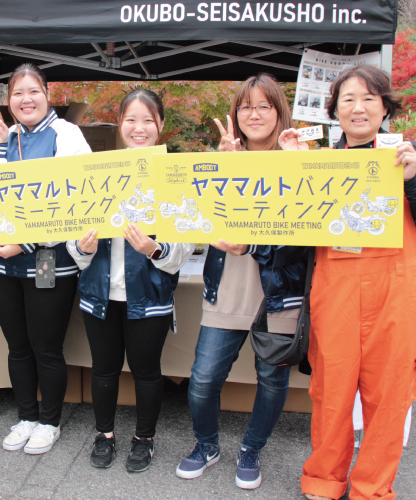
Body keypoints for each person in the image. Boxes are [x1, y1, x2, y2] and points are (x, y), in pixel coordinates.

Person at [279, 65, 416, 500]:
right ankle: (324, 480)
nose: (359, 108)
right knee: (331, 391)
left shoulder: (407, 153)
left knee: (388, 396)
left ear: (385, 108)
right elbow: (290, 238)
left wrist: (412, 180)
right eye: (348, 99)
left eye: (370, 98)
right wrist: (293, 171)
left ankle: (372, 488)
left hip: (396, 290)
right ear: (334, 110)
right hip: (335, 288)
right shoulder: (318, 160)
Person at [174, 74, 309, 488]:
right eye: (246, 106)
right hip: (226, 286)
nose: (254, 114)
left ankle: (251, 448)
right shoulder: (222, 159)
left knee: (272, 379)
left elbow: (303, 237)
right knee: (203, 379)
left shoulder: (300, 159)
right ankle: (207, 445)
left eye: (264, 105)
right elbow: (195, 220)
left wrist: (252, 244)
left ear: (279, 112)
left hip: (279, 291)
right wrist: (223, 171)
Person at [68, 89, 195, 472]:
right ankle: (104, 434)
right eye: (131, 120)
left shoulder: (173, 175)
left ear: (160, 125)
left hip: (149, 295)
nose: (139, 128)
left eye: (147, 120)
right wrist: (82, 247)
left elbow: (185, 244)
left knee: (146, 370)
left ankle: (144, 439)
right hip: (100, 293)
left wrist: (155, 249)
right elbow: (73, 236)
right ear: (119, 124)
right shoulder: (99, 172)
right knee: (104, 369)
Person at [0, 63, 91, 455]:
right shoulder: (5, 137)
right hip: (2, 265)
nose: (26, 100)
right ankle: (26, 416)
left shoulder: (67, 135)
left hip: (48, 262)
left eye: (33, 91)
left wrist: (24, 244)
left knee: (46, 347)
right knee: (17, 346)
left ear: (47, 94)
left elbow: (75, 202)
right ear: (9, 100)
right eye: (17, 93)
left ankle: (50, 422)